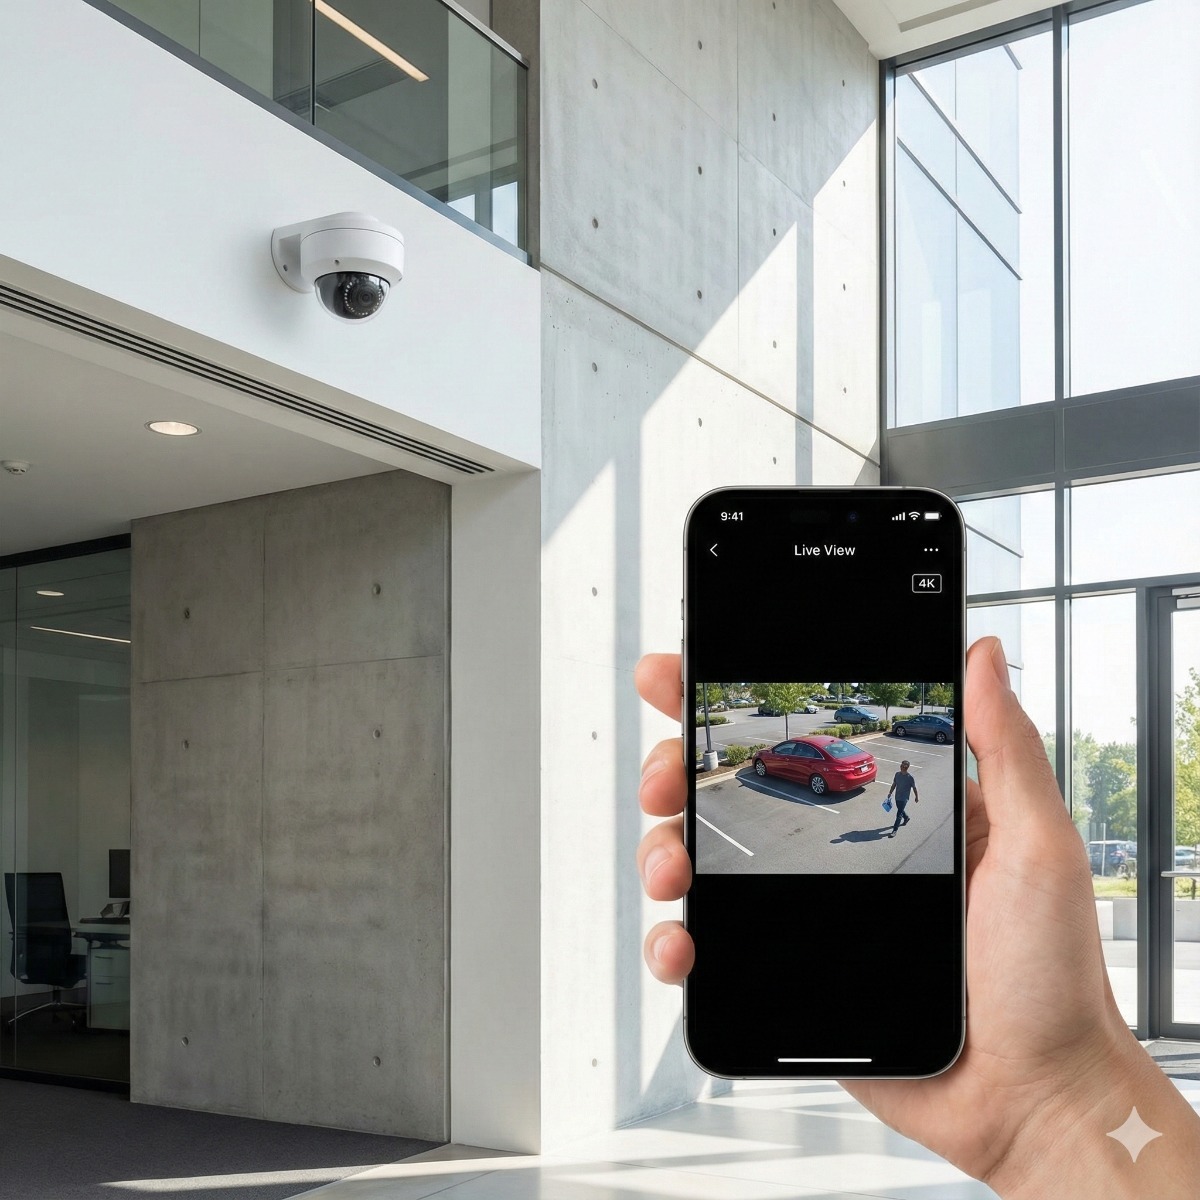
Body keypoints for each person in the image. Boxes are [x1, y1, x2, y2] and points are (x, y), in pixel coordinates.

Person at [635, 637, 1200, 1197]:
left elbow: (898, 787)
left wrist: (1055, 1099)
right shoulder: (879, 766)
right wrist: (1057, 1106)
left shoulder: (878, 768)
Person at [886, 759, 918, 836]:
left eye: (905, 767)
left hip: (904, 798)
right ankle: (906, 818)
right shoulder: (897, 774)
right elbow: (894, 784)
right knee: (900, 809)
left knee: (899, 813)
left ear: (907, 768)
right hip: (897, 796)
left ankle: (894, 830)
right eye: (902, 766)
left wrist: (916, 797)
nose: (903, 768)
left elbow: (914, 788)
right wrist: (890, 792)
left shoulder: (910, 777)